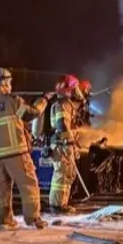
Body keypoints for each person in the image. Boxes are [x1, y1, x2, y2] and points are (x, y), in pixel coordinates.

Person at [0, 67, 46, 229]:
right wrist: (43, 102)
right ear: (2, 83)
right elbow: (30, 115)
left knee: (1, 189)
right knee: (28, 183)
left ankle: (4, 220)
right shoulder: (12, 101)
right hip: (16, 152)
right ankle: (33, 218)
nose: (10, 85)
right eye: (8, 81)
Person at [47, 74, 84, 211]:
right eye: (74, 88)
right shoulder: (64, 104)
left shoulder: (65, 104)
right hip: (62, 145)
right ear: (67, 89)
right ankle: (57, 205)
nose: (77, 92)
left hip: (63, 144)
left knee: (67, 174)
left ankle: (61, 203)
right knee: (62, 174)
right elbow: (62, 124)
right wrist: (68, 142)